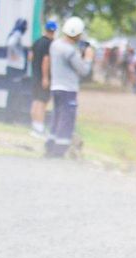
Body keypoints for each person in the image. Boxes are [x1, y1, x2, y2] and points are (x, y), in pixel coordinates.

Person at [45, 17, 93, 158]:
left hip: (56, 87)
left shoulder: (55, 45)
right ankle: (60, 150)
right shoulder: (70, 51)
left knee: (56, 117)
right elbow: (83, 70)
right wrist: (88, 58)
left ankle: (50, 146)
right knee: (66, 119)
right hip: (69, 89)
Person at [29, 20, 57, 138]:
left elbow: (30, 57)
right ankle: (39, 128)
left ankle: (35, 126)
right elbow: (46, 60)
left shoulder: (37, 42)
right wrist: (45, 77)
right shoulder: (50, 44)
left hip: (35, 76)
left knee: (35, 101)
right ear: (54, 31)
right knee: (42, 102)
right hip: (43, 77)